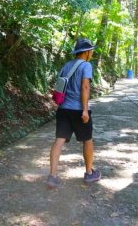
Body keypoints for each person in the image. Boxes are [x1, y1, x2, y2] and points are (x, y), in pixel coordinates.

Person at [47, 38, 101, 187]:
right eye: (91, 51)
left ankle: (52, 176)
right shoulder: (86, 65)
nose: (92, 53)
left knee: (59, 140)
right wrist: (84, 109)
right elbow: (85, 87)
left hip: (63, 109)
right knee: (87, 140)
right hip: (78, 110)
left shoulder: (66, 66)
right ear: (86, 52)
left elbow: (59, 86)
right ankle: (89, 174)